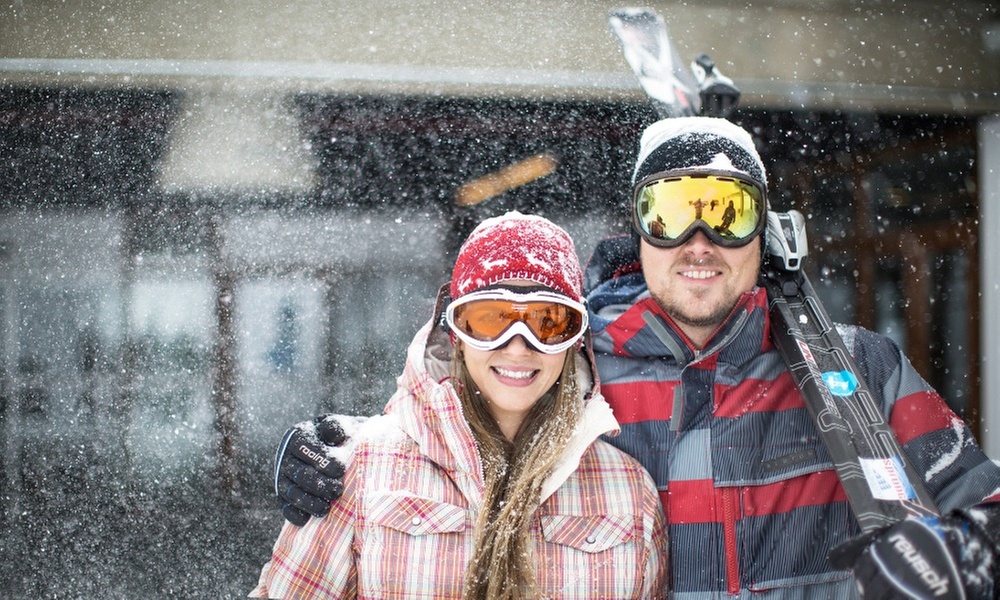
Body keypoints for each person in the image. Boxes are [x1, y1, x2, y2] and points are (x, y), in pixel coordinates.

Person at [273, 117, 1000, 598]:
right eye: (670, 210)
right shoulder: (578, 363)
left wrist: (961, 556)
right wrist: (345, 447)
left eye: (728, 211)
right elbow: (459, 408)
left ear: (764, 231)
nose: (698, 240)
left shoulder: (856, 371)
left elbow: (987, 509)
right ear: (640, 228)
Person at [253, 212, 668, 599]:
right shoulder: (365, 468)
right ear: (455, 334)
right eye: (489, 319)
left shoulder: (628, 491)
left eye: (547, 321)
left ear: (574, 340)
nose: (519, 346)